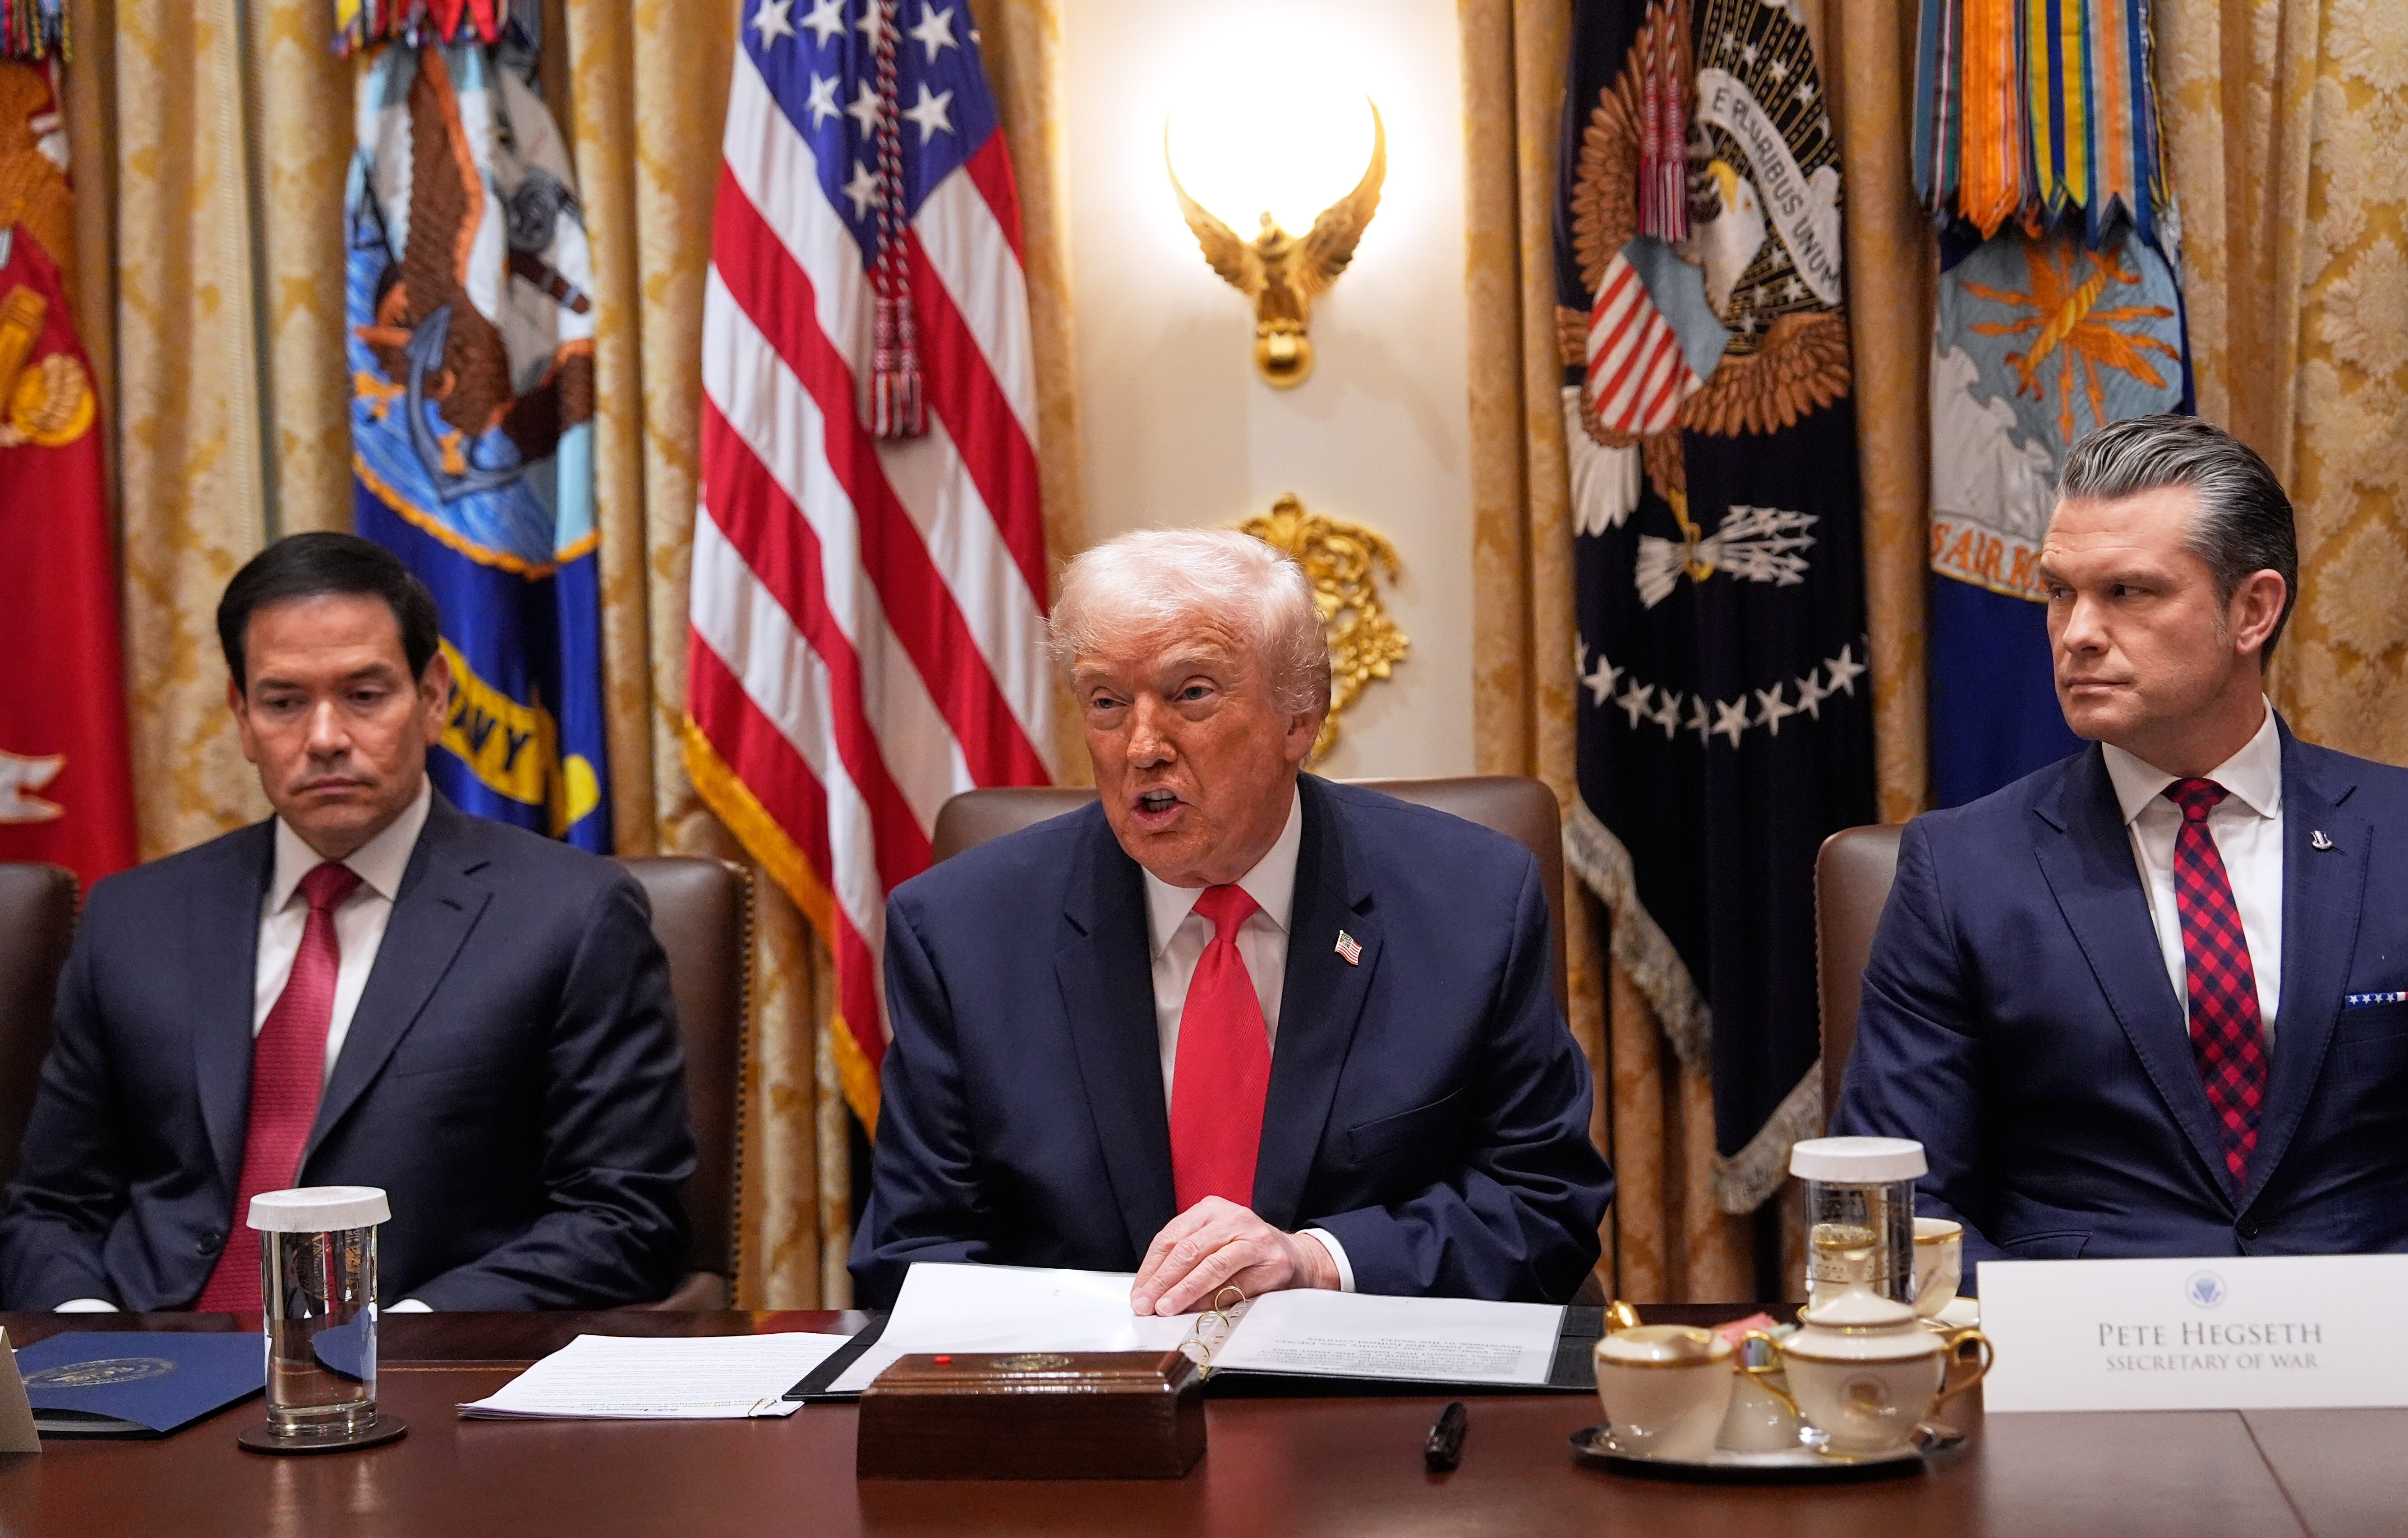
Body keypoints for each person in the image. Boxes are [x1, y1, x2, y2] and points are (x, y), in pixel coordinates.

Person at [1835, 416, 2408, 1294]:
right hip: (2080, 1360)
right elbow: (1899, 1204)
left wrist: (2388, 1327)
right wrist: (2058, 1341)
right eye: (2060, 592)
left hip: (2385, 1349)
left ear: (2252, 610)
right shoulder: (1961, 869)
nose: (2078, 632)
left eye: (2128, 591)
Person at [851, 528, 1611, 1314]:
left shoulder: (1471, 901)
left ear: (1300, 717)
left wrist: (1318, 1263)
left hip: (1365, 1376)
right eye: (1107, 702)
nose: (1142, 748)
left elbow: (1544, 1201)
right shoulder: (960, 932)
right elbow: (913, 1253)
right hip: (1088, 1380)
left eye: (1191, 694)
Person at [0, 533, 692, 1311]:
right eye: (284, 703)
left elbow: (623, 1217)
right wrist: (92, 1344)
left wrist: (410, 1336)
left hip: (411, 1356)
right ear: (242, 716)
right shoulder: (135, 918)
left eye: (364, 696)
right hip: (150, 1358)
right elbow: (53, 1207)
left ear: (433, 698)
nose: (325, 738)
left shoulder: (569, 915)